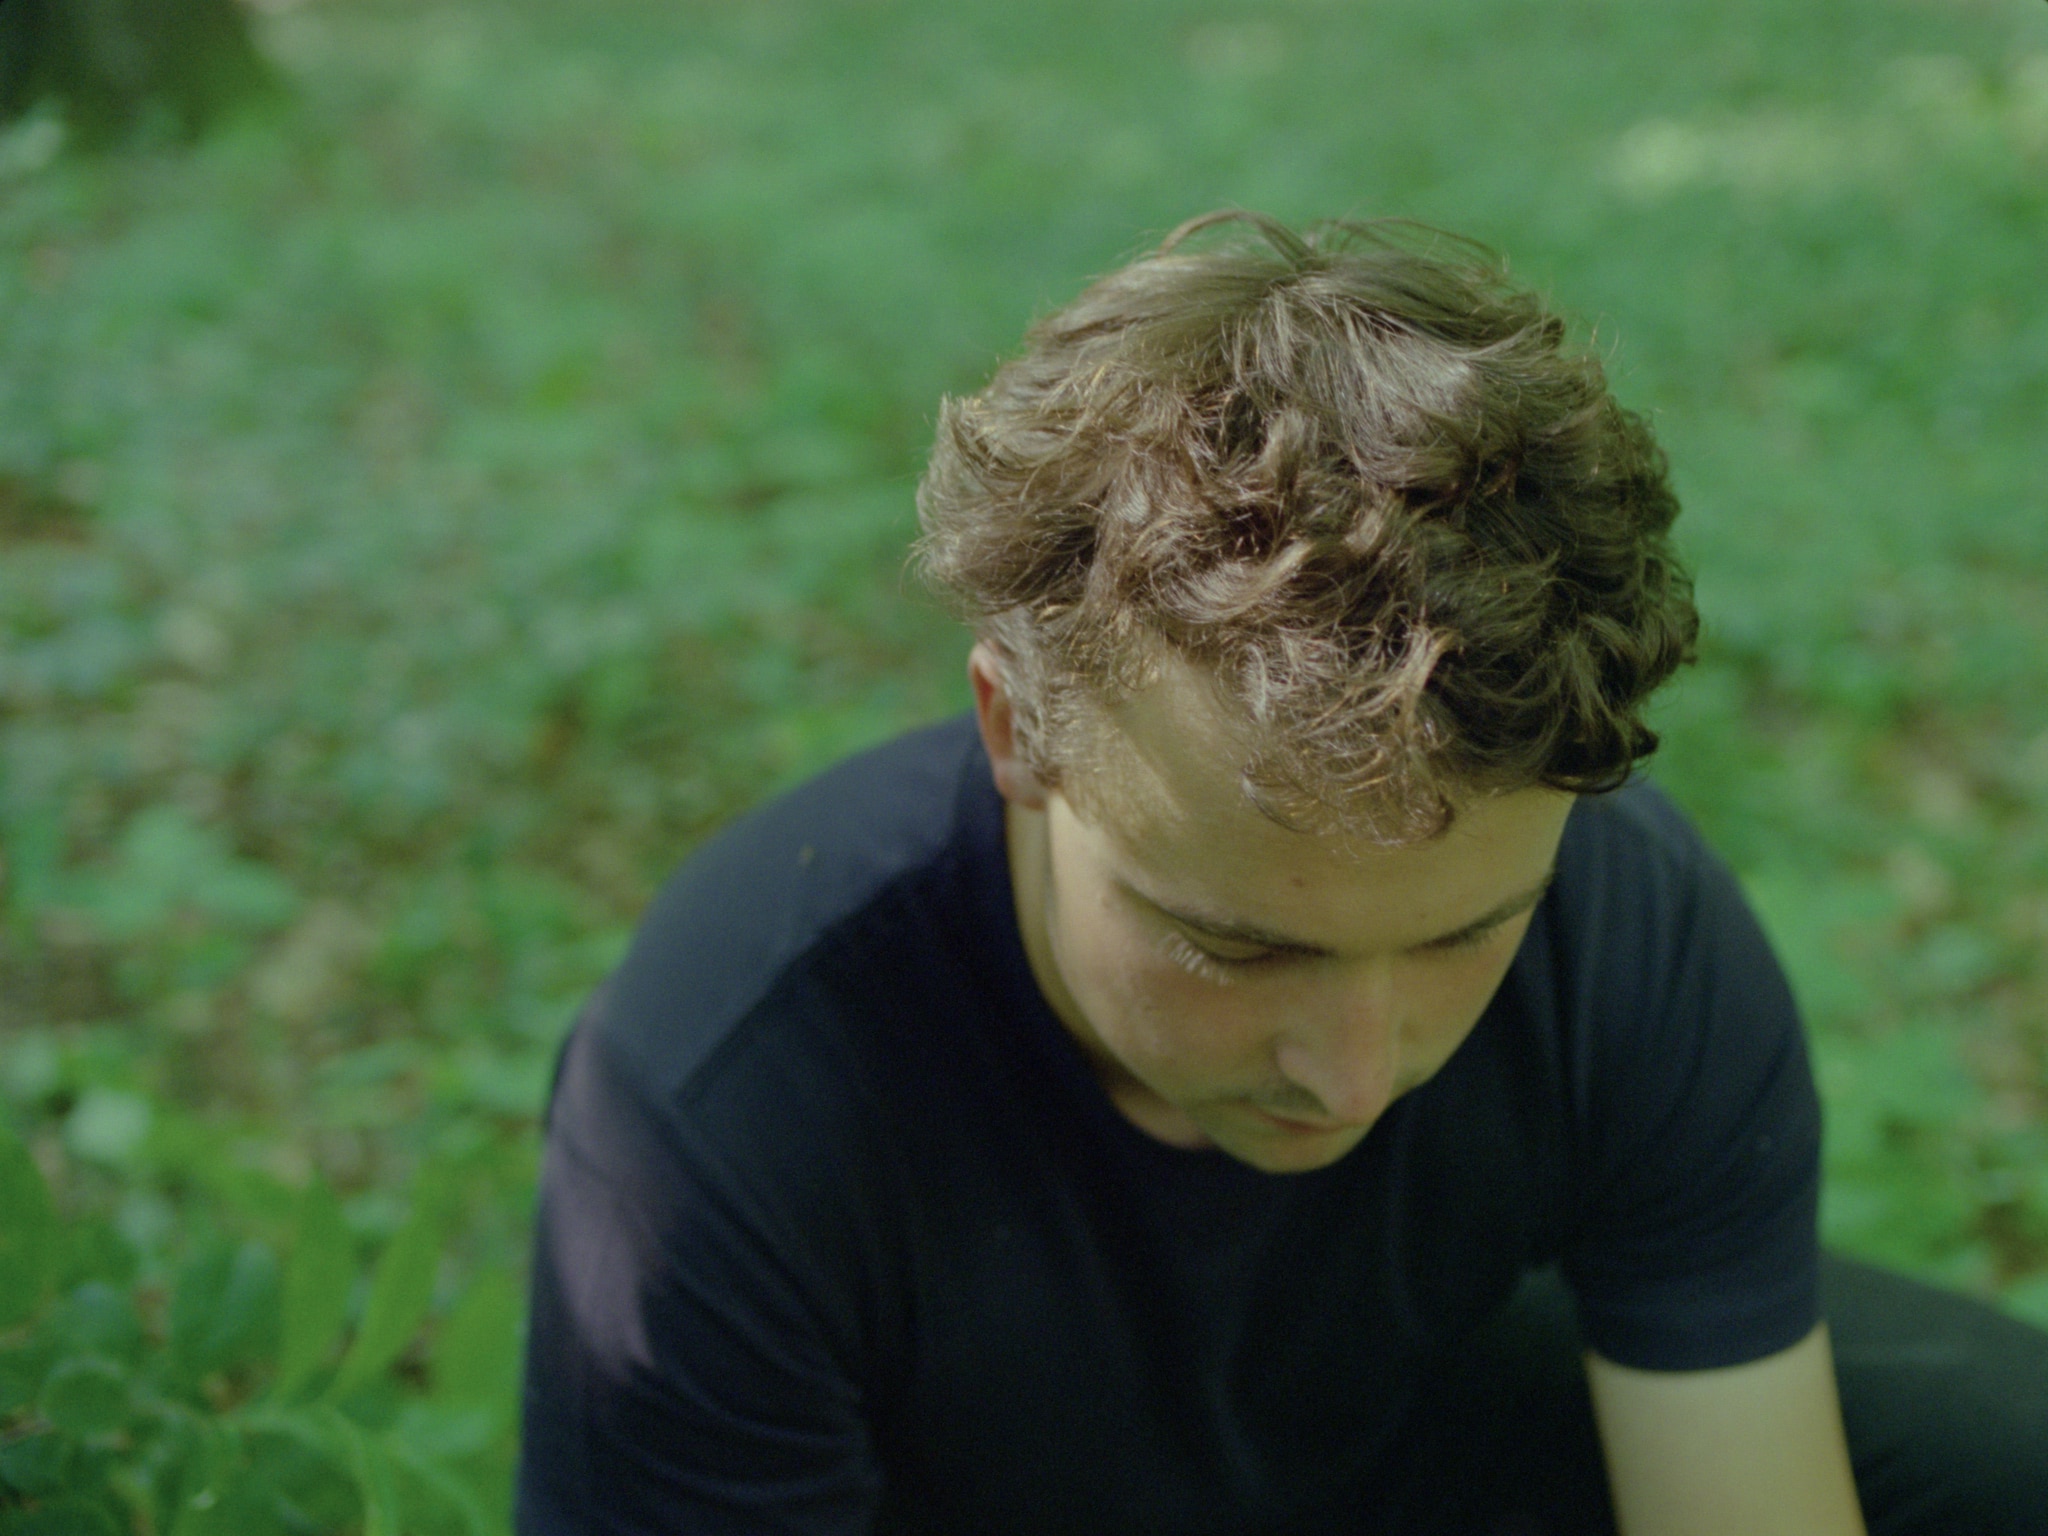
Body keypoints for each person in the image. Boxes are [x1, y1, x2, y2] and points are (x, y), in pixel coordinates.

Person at [515, 212, 2048, 1535]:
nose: (1353, 1074)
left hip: (1405, 1443)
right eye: (1235, 949)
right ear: (1017, 732)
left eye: (1462, 938)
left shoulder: (1629, 931)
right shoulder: (734, 1100)